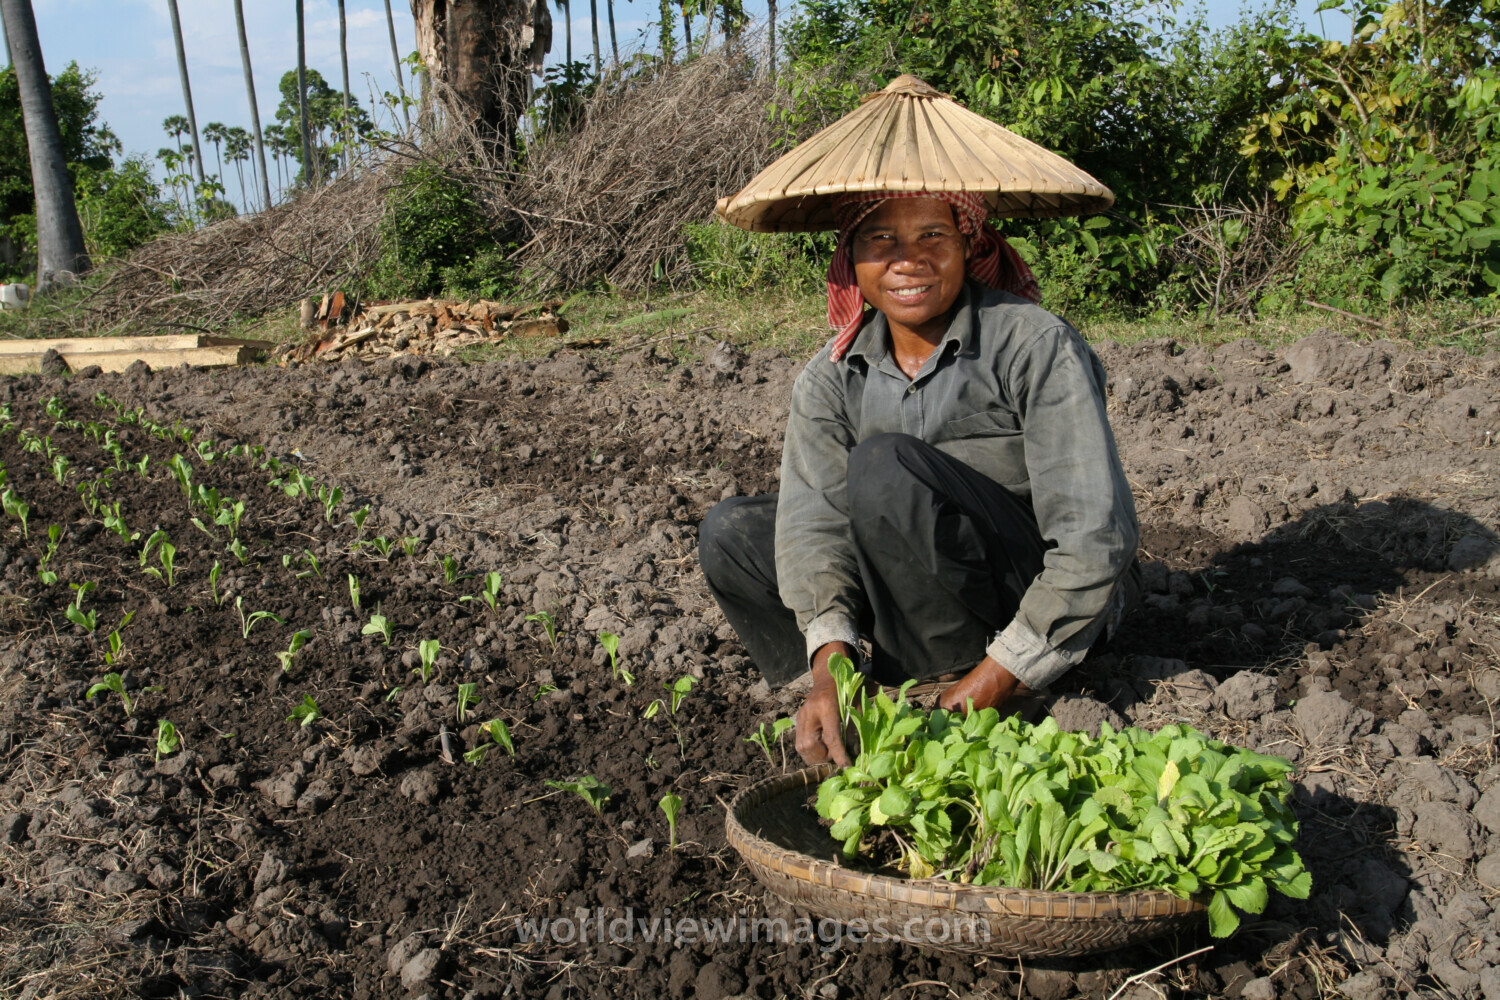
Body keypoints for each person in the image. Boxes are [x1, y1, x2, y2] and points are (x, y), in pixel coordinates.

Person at [702, 77, 1138, 767]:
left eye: (933, 234)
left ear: (968, 244)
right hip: (910, 580)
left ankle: (971, 685)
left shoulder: (1033, 344)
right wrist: (829, 668)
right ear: (852, 259)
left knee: (885, 468)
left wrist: (994, 677)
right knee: (735, 533)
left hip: (1020, 586)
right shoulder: (830, 376)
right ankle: (851, 693)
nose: (908, 260)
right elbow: (814, 527)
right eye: (882, 239)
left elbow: (1093, 537)